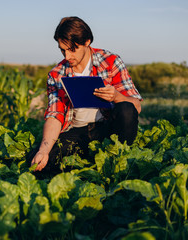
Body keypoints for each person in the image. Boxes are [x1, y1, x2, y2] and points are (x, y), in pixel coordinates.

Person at [30, 16, 142, 173]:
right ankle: (86, 160)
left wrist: (117, 96)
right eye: (62, 50)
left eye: (72, 49)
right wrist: (43, 150)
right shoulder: (56, 74)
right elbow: (55, 115)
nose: (67, 56)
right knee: (40, 165)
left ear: (87, 42)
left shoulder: (111, 61)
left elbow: (136, 107)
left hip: (107, 130)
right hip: (77, 132)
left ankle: (123, 163)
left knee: (126, 109)